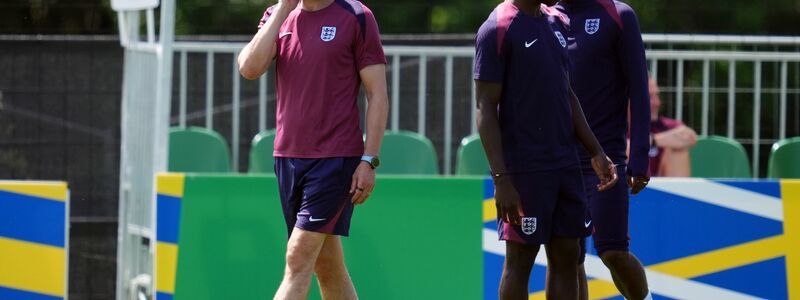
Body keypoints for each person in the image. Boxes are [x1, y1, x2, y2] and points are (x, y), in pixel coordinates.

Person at [237, 0, 389, 298]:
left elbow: (377, 94)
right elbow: (249, 68)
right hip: (288, 158)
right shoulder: (277, 14)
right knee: (327, 265)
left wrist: (368, 159)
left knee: (298, 257)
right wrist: (282, 10)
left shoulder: (357, 16)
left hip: (336, 159)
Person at [474, 0, 619, 298]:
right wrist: (501, 179)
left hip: (566, 164)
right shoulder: (498, 27)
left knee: (568, 253)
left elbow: (566, 92)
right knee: (520, 259)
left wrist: (595, 151)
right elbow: (485, 107)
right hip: (524, 168)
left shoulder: (557, 21)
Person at [552, 0, 652, 299]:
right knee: (567, 255)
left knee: (612, 252)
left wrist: (640, 156)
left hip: (606, 160)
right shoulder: (547, 18)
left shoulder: (618, 15)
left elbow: (639, 89)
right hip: (560, 158)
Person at [649, 78, 698, 177]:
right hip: (625, 186)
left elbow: (690, 137)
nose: (657, 103)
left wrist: (651, 140)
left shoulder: (666, 125)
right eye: (649, 97)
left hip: (659, 187)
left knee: (677, 150)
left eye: (657, 95)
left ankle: (672, 193)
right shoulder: (616, 128)